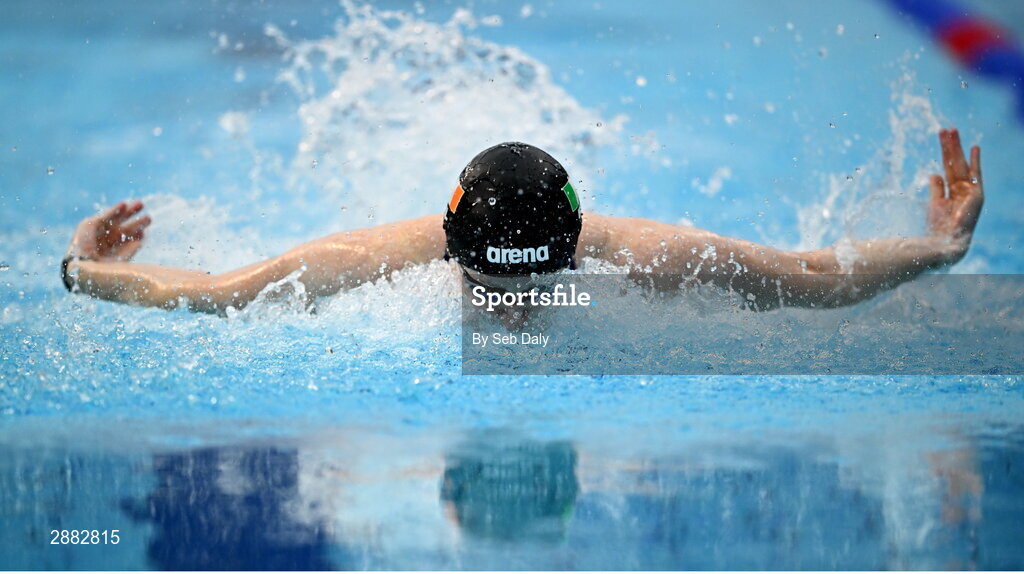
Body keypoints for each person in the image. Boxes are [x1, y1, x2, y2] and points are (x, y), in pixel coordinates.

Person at [61, 128, 983, 317]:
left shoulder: (659, 259)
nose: (512, 309)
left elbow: (816, 277)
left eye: (530, 284)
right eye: (488, 284)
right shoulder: (369, 258)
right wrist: (80, 272)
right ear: (447, 245)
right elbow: (220, 296)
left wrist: (944, 249)